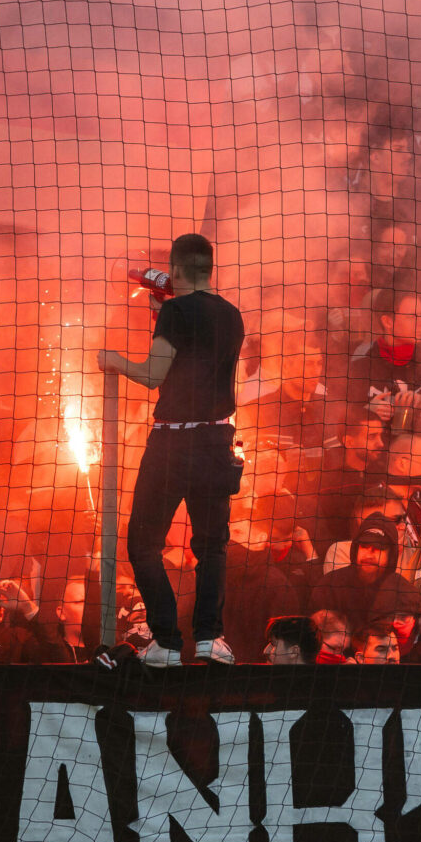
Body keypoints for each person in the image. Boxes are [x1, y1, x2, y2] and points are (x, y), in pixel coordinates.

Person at [99, 232, 248, 666]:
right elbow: (197, 359)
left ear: (176, 269)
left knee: (144, 543)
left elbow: (153, 375)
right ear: (210, 269)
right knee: (211, 545)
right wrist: (163, 316)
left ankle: (165, 641)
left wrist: (113, 360)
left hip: (173, 443)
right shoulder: (232, 314)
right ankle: (209, 639)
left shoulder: (176, 312)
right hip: (217, 440)